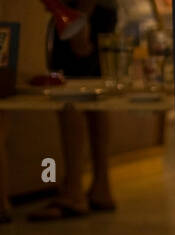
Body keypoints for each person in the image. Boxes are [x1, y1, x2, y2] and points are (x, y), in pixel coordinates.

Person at [28, 0, 118, 221]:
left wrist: (80, 17)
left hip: (78, 11)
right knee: (92, 97)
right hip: (93, 10)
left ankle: (74, 192)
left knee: (70, 95)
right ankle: (100, 186)